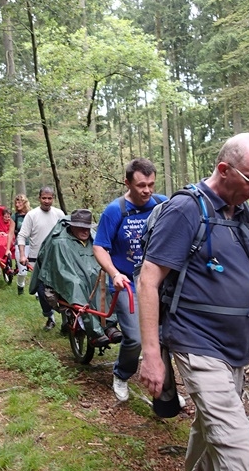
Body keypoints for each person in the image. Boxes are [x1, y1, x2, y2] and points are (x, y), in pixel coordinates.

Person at [138, 133, 249, 470]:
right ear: (224, 169)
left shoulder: (240, 211)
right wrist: (152, 356)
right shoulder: (185, 209)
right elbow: (148, 281)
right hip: (197, 343)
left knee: (208, 433)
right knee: (237, 447)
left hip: (235, 348)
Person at [93, 158, 168, 402]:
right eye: (141, 185)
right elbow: (100, 247)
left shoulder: (162, 204)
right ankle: (122, 373)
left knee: (163, 336)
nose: (147, 190)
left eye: (151, 184)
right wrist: (114, 273)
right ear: (127, 183)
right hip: (127, 283)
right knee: (135, 337)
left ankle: (165, 390)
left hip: (157, 284)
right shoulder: (115, 211)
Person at [29, 209, 109, 346]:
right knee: (76, 285)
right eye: (80, 228)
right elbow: (60, 269)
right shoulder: (59, 242)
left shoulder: (94, 240)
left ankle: (109, 325)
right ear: (72, 226)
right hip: (70, 280)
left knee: (104, 280)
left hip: (92, 277)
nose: (85, 231)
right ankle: (94, 330)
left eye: (87, 228)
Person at [17, 187, 65, 330]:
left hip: (58, 259)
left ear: (53, 199)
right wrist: (22, 255)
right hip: (37, 260)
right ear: (39, 198)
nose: (47, 201)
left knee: (62, 290)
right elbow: (22, 235)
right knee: (42, 291)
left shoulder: (59, 214)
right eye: (44, 198)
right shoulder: (32, 215)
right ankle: (49, 316)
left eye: (49, 198)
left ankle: (66, 320)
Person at [6, 194, 32, 295]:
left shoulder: (32, 214)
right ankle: (20, 285)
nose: (17, 204)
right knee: (23, 271)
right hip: (20, 245)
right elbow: (11, 233)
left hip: (33, 244)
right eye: (16, 202)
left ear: (25, 203)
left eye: (19, 202)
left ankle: (38, 293)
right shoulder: (15, 216)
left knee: (36, 270)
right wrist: (8, 248)